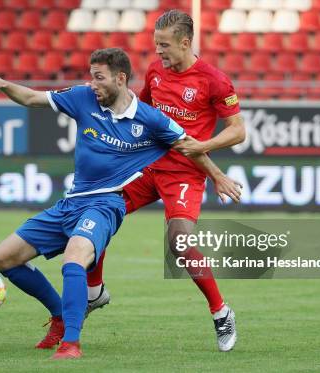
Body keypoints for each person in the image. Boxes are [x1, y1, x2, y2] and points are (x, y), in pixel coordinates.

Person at [0, 48, 232, 360]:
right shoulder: (82, 97)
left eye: (99, 78)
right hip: (71, 203)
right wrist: (3, 84)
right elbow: (33, 99)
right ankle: (61, 313)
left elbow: (189, 148)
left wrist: (218, 176)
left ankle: (71, 343)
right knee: (3, 257)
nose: (93, 84)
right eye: (91, 76)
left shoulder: (150, 120)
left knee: (74, 259)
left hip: (105, 205)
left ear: (120, 78)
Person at [85, 10, 246, 353]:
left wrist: (204, 148)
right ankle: (94, 292)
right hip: (146, 167)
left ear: (185, 42)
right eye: (156, 44)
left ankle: (221, 312)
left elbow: (238, 131)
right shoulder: (157, 71)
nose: (158, 52)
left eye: (164, 45)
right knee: (94, 213)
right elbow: (142, 110)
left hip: (184, 173)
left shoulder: (214, 80)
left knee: (180, 244)